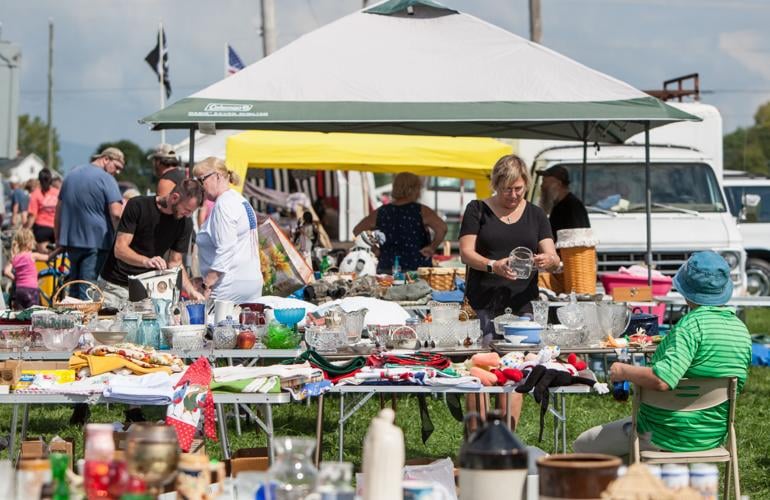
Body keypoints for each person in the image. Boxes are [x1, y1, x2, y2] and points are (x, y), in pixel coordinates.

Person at [573, 251, 752, 458]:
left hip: (664, 433)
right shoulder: (741, 329)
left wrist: (623, 370)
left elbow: (662, 380)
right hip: (711, 435)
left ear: (686, 292)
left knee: (582, 445)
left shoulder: (690, 326)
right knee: (626, 458)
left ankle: (630, 487)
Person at [99, 179, 206, 308]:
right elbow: (120, 249)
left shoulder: (185, 223)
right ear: (174, 197)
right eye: (187, 209)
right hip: (114, 286)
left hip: (146, 290)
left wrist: (191, 291)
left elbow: (175, 262)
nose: (189, 215)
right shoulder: (138, 205)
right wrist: (147, 261)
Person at [55, 147, 124, 299]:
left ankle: (72, 318)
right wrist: (120, 241)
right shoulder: (106, 179)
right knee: (88, 288)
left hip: (71, 240)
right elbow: (116, 213)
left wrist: (58, 238)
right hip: (96, 241)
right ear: (106, 159)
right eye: (117, 167)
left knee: (73, 285)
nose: (117, 172)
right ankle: (85, 321)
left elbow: (59, 209)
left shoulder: (71, 175)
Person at [192, 157, 262, 303]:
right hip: (251, 281)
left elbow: (226, 248)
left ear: (217, 176)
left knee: (216, 325)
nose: (199, 187)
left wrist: (207, 283)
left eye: (201, 180)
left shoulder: (223, 204)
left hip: (228, 286)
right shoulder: (240, 200)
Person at [353, 172, 447, 273]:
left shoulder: (382, 212)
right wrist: (432, 247)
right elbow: (442, 228)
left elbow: (357, 230)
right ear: (414, 189)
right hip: (416, 270)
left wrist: (374, 248)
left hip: (387, 268)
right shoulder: (421, 211)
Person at [539, 165, 590, 241]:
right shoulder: (559, 206)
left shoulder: (572, 206)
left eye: (545, 182)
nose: (542, 186)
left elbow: (576, 239)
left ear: (558, 184)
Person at [3, 228, 48, 309]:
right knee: (32, 313)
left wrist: (16, 279)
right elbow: (48, 258)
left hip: (19, 289)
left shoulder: (15, 256)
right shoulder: (32, 255)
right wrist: (59, 249)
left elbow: (6, 271)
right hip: (31, 290)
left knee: (20, 314)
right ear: (29, 243)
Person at [25, 168, 59, 253]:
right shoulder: (58, 193)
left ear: (39, 180)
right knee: (57, 256)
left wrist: (25, 230)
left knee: (43, 256)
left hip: (42, 229)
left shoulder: (35, 194)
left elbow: (32, 216)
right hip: (57, 228)